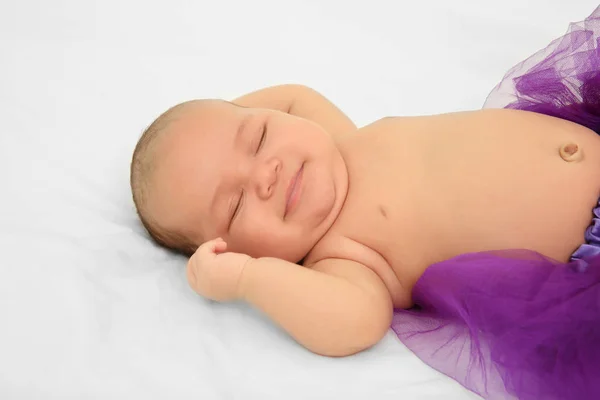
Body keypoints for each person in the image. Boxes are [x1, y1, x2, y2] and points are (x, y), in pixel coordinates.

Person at [130, 7, 600, 400]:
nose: (265, 174)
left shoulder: (340, 141)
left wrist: (217, 122)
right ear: (237, 248)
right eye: (234, 205)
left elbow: (295, 95)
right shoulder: (342, 259)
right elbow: (355, 323)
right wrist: (244, 279)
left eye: (258, 138)